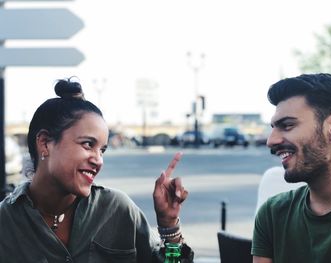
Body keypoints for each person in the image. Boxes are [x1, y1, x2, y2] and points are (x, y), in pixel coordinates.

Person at [0, 78, 193, 262]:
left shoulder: (118, 210)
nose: (98, 160)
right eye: (87, 144)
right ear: (45, 143)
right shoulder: (5, 222)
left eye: (102, 150)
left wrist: (169, 226)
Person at [252, 73, 331, 263]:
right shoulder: (273, 213)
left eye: (287, 125)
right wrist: (174, 227)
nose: (271, 141)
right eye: (273, 128)